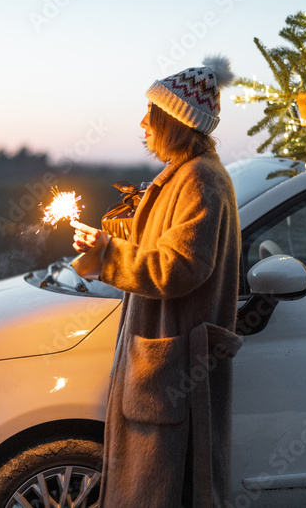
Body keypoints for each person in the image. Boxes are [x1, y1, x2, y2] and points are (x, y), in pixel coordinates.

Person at [70, 55, 242, 508]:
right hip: (165, 368)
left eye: (152, 114)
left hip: (175, 371)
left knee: (168, 491)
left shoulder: (200, 181)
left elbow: (181, 266)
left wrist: (107, 256)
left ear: (176, 122)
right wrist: (109, 237)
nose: (143, 122)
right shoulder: (183, 175)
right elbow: (164, 241)